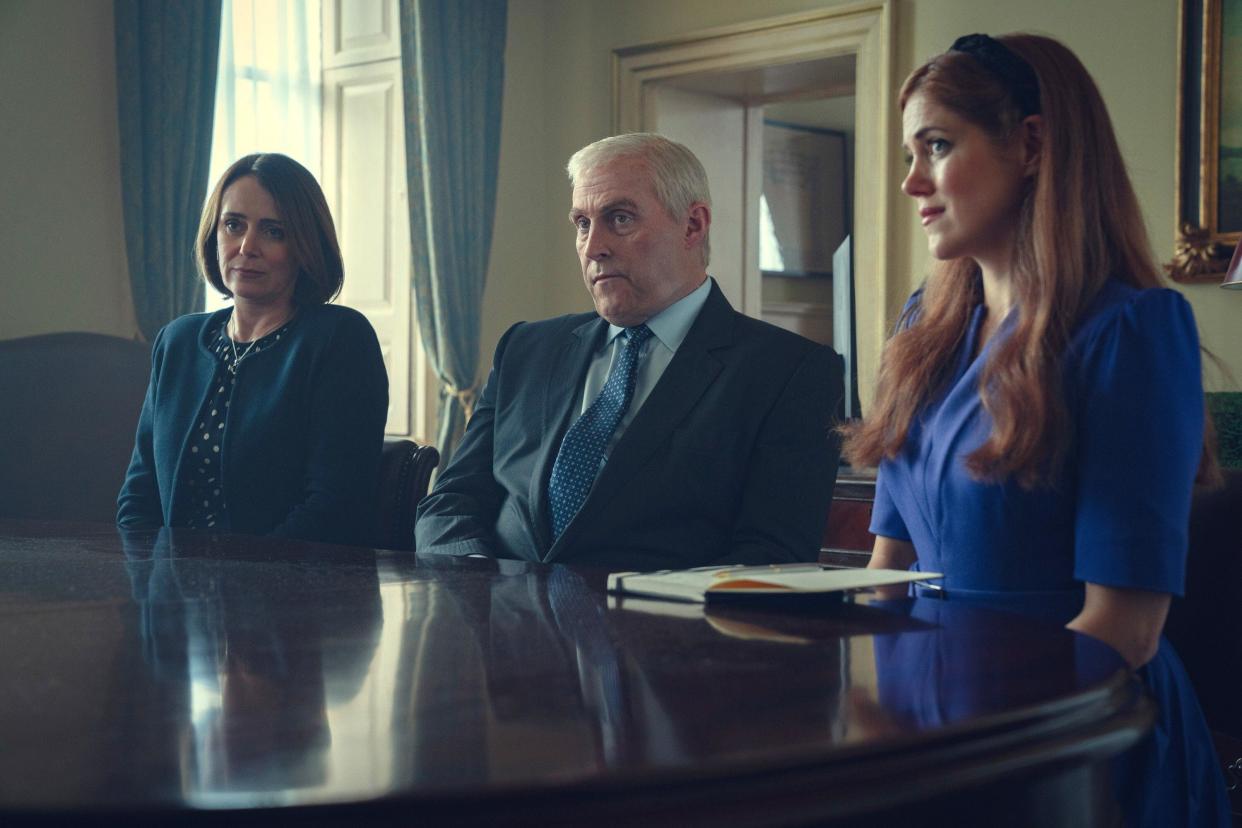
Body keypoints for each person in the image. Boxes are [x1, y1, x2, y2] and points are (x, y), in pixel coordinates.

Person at [845, 34, 1229, 825]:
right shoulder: (922, 334)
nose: (912, 181)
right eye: (910, 152)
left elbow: (1124, 628)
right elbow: (885, 575)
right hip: (925, 732)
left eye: (938, 146)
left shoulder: (1133, 330)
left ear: (1031, 144)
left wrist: (970, 755)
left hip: (1070, 743)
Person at [416, 133, 844, 570]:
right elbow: (451, 502)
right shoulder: (525, 350)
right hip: (499, 623)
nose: (593, 246)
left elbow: (772, 558)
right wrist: (473, 582)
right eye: (582, 224)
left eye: (619, 218)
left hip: (663, 631)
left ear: (692, 225)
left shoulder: (790, 372)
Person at [117, 153, 388, 546]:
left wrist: (240, 586)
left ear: (305, 245)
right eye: (233, 225)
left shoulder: (340, 339)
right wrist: (152, 584)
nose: (247, 246)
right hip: (171, 595)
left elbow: (334, 508)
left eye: (273, 231)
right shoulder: (176, 342)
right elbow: (138, 497)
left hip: (292, 594)